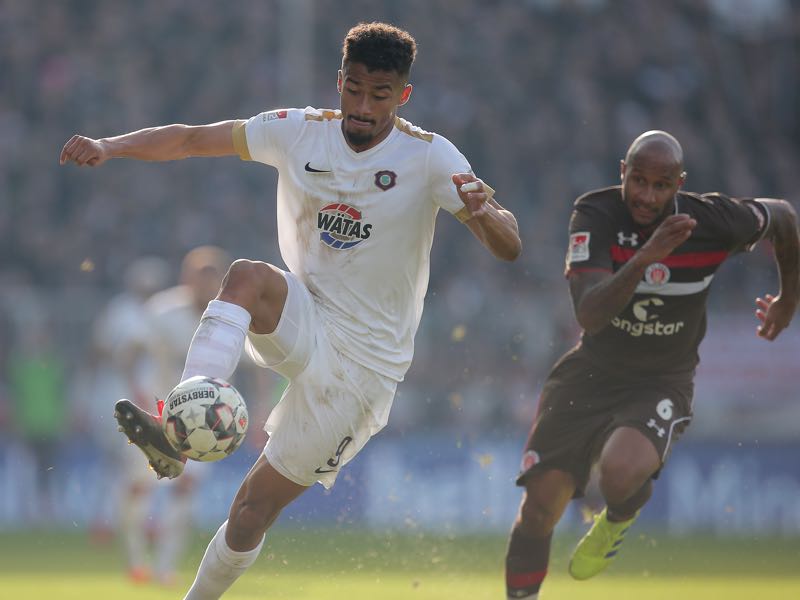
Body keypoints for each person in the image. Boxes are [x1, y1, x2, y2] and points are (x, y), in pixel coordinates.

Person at [61, 22, 521, 599]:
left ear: (402, 96)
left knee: (251, 510)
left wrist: (483, 215)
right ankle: (182, 416)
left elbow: (510, 246)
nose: (361, 105)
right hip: (305, 313)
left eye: (379, 95)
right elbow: (187, 139)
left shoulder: (429, 157)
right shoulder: (299, 130)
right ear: (339, 82)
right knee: (248, 276)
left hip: (364, 368)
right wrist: (111, 146)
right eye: (353, 89)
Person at [504, 130, 799, 599]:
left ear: (679, 183)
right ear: (623, 171)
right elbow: (589, 314)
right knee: (540, 506)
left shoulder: (713, 220)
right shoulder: (596, 214)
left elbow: (783, 217)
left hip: (661, 380)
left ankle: (617, 519)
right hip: (591, 372)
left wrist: (789, 297)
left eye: (661, 186)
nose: (646, 196)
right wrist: (646, 257)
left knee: (620, 474)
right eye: (637, 180)